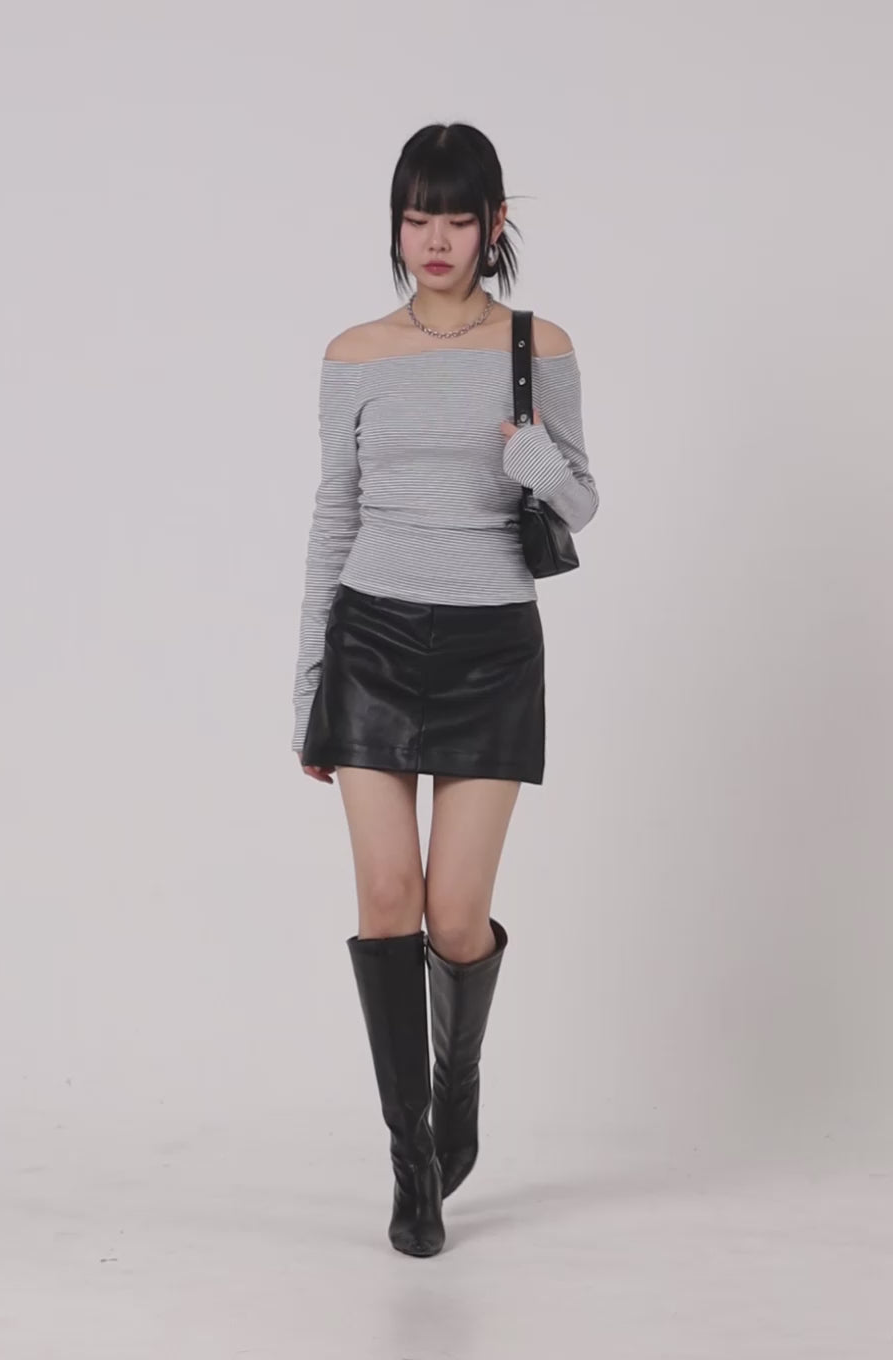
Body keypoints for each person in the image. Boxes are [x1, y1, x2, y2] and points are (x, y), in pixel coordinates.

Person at [290, 123, 600, 1257]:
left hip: (491, 650)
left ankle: (454, 1083)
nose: (434, 239)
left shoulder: (536, 344)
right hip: (371, 639)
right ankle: (411, 1156)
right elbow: (333, 515)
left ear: (492, 225)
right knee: (387, 897)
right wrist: (310, 680)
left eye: (456, 219)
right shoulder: (354, 353)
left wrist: (532, 462)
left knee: (456, 916)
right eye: (416, 217)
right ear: (396, 224)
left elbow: (580, 501)